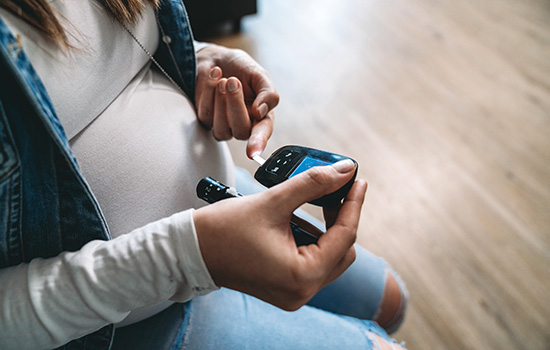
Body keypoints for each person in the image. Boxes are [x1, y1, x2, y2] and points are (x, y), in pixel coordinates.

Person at [0, 0, 408, 349]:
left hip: (220, 213)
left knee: (390, 300)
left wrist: (198, 59)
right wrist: (187, 257)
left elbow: (92, 55)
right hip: (114, 316)